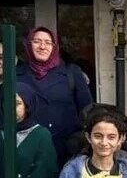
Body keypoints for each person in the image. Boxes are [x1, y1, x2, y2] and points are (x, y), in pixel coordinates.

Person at [17, 27, 93, 165]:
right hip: (29, 150)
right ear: (29, 45)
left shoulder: (72, 73)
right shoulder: (17, 74)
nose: (42, 46)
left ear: (54, 47)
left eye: (48, 42)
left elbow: (87, 111)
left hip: (66, 151)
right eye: (37, 41)